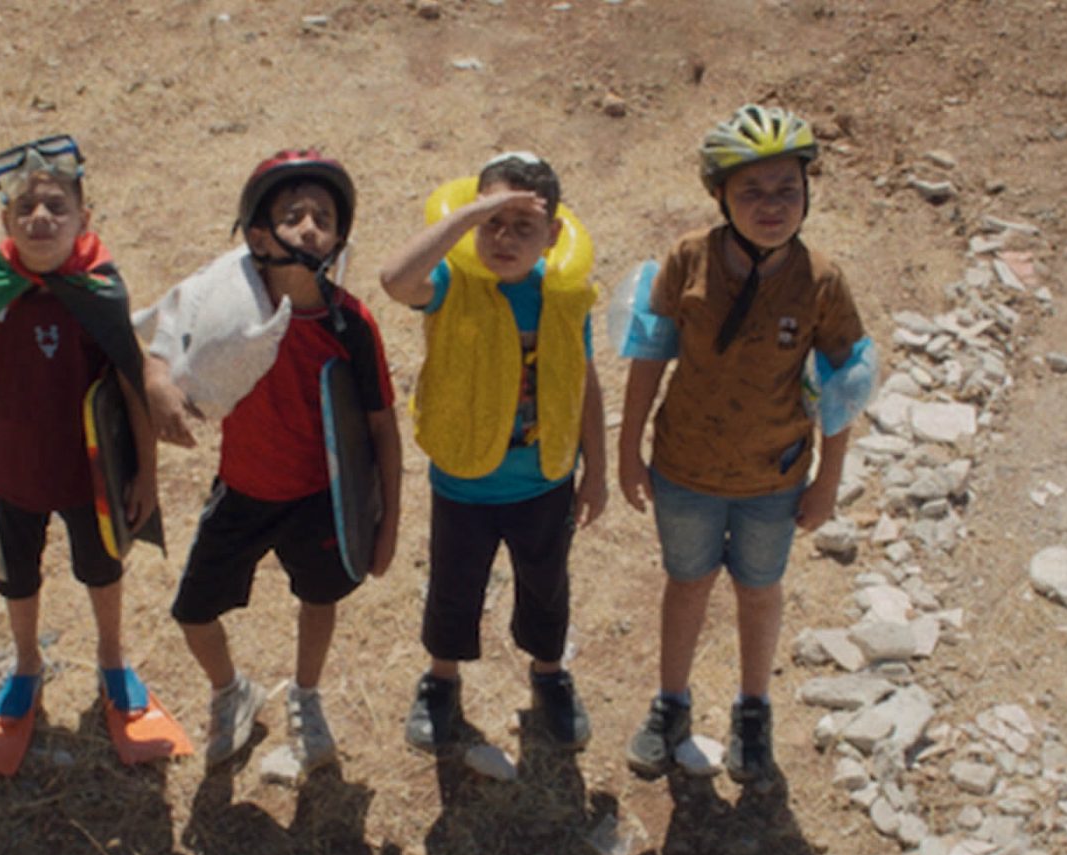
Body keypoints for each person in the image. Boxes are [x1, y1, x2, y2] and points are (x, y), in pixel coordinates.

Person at [617, 105, 869, 784]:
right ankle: (671, 704)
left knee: (759, 590)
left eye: (787, 189)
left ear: (807, 193)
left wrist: (827, 479)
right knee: (687, 583)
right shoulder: (688, 258)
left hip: (773, 476)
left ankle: (753, 710)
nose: (772, 206)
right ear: (721, 196)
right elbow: (650, 354)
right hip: (685, 467)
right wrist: (627, 449)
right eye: (752, 191)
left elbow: (843, 387)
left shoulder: (821, 280)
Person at [139, 149, 402, 771]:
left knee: (319, 597)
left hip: (319, 498)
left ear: (339, 240)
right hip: (243, 492)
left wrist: (387, 521)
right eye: (292, 216)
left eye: (323, 218)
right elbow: (158, 336)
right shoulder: (224, 308)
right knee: (193, 612)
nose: (310, 227)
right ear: (259, 236)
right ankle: (232, 691)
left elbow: (382, 428)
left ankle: (306, 696)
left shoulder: (350, 324)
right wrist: (156, 383)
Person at [378, 151, 607, 753]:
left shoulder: (562, 293)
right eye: (492, 224)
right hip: (464, 482)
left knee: (547, 585)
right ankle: (441, 680)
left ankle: (549, 675)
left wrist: (598, 471)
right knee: (454, 586)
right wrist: (468, 216)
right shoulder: (452, 284)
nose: (504, 239)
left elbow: (584, 380)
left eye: (522, 226)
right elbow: (394, 279)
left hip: (545, 481)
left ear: (553, 235)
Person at [0, 133, 161, 730]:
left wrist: (145, 472)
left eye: (57, 207)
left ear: (83, 219)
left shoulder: (100, 289)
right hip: (15, 472)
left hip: (88, 475)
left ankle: (111, 658)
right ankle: (26, 664)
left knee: (102, 568)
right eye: (25, 208)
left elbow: (131, 387)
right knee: (16, 575)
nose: (40, 218)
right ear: (6, 220)